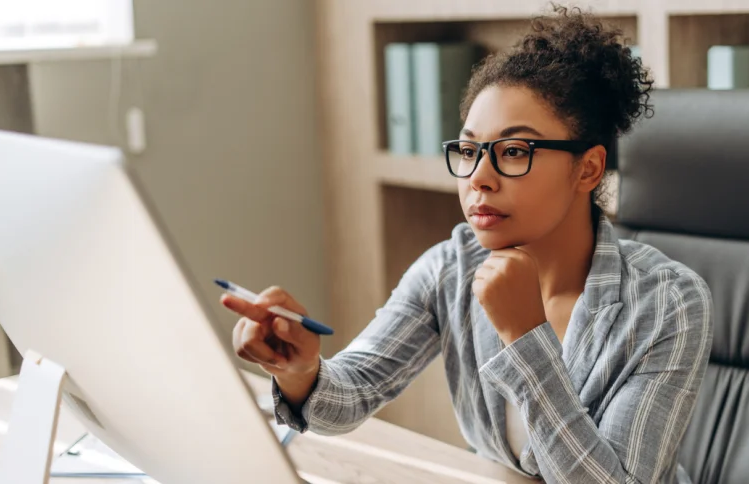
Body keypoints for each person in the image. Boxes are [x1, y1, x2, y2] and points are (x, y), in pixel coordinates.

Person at [221, 5, 713, 483]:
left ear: (587, 168)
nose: (479, 178)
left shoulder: (669, 302)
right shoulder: (449, 269)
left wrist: (525, 337)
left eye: (515, 151)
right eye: (470, 150)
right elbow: (351, 395)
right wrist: (301, 368)